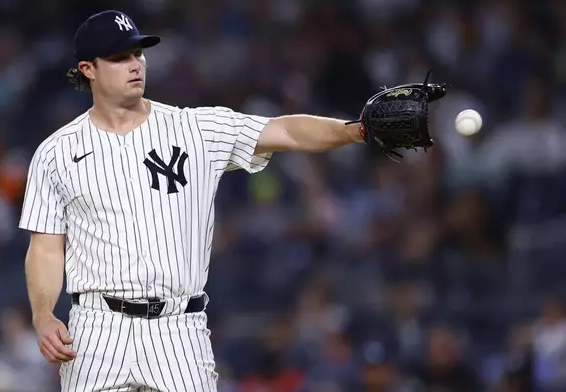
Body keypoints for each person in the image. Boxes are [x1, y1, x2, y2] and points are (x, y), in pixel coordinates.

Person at [20, 9, 366, 392]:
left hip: (179, 328)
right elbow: (46, 249)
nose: (135, 65)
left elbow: (285, 130)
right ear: (89, 69)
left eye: (138, 53)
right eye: (119, 58)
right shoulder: (56, 153)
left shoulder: (194, 129)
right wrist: (43, 315)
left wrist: (356, 131)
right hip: (98, 328)